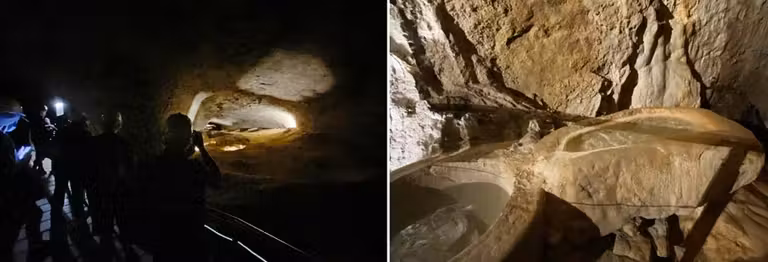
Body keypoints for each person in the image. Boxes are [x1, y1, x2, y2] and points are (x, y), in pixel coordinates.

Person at [136, 113, 221, 261]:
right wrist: (202, 149)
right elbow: (216, 180)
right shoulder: (194, 168)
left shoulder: (153, 165)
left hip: (164, 238)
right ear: (189, 138)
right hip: (191, 238)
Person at [0, 98, 47, 261]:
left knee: (35, 213)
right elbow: (7, 172)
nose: (17, 122)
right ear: (6, 115)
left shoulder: (4, 136)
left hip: (9, 197)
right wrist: (23, 160)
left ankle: (36, 245)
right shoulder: (3, 140)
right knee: (7, 239)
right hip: (8, 198)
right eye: (16, 117)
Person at [87, 111, 135, 260]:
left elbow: (89, 167)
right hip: (119, 188)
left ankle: (107, 245)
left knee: (105, 218)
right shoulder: (123, 143)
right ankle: (126, 245)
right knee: (122, 218)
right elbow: (130, 167)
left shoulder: (94, 142)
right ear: (118, 124)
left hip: (101, 188)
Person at [50, 111, 92, 223]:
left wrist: (55, 166)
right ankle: (79, 217)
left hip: (61, 166)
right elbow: (88, 154)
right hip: (77, 168)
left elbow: (54, 149)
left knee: (59, 191)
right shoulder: (85, 134)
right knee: (77, 193)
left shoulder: (61, 131)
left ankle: (56, 215)